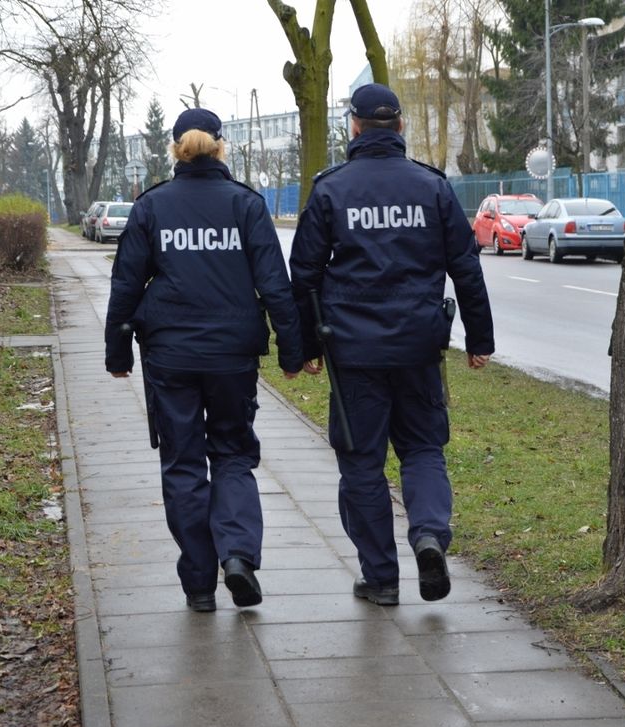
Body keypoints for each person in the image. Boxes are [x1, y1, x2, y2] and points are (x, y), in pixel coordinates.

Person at [289, 83, 494, 606]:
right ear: (400, 127)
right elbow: (466, 268)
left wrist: (306, 346)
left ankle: (380, 578)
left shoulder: (331, 189)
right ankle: (428, 535)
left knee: (361, 463)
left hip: (353, 355)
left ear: (354, 127)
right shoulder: (432, 187)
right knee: (423, 449)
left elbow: (304, 274)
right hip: (419, 347)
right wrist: (479, 339)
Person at [104, 108, 303, 612]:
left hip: (170, 356)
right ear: (220, 147)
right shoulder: (246, 205)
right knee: (234, 455)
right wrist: (294, 351)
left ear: (175, 149)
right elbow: (275, 286)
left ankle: (199, 584)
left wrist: (116, 350)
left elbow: (126, 283)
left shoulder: (152, 208)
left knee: (183, 463)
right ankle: (236, 555)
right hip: (232, 356)